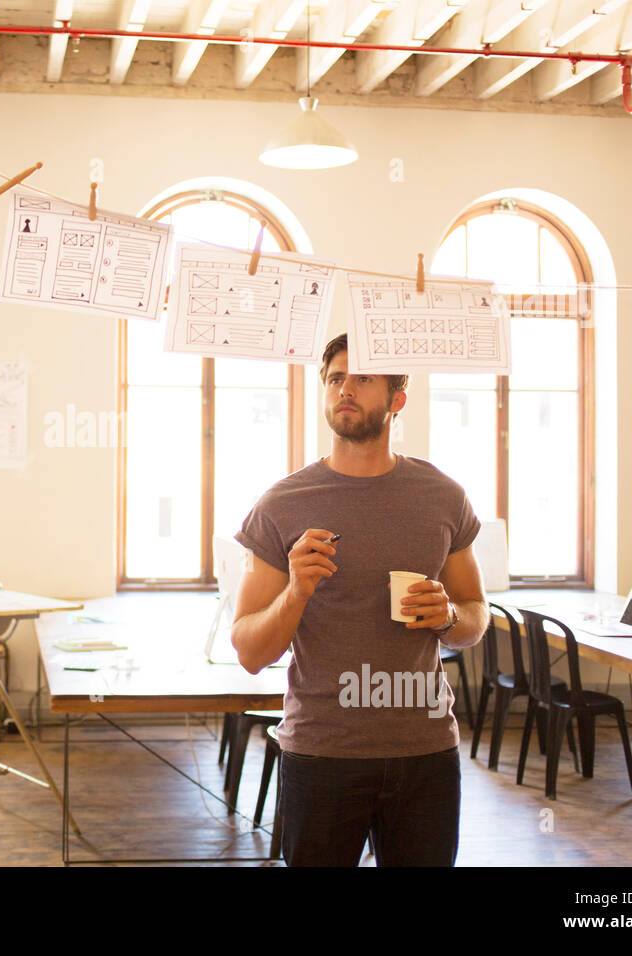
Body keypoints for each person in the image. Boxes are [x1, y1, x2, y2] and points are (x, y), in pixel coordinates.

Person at [231, 333, 488, 866]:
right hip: (323, 751)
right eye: (335, 378)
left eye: (363, 378)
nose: (345, 388)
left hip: (426, 750)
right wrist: (298, 591)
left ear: (398, 399)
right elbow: (250, 652)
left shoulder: (443, 497)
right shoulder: (281, 505)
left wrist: (449, 616)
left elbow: (475, 616)